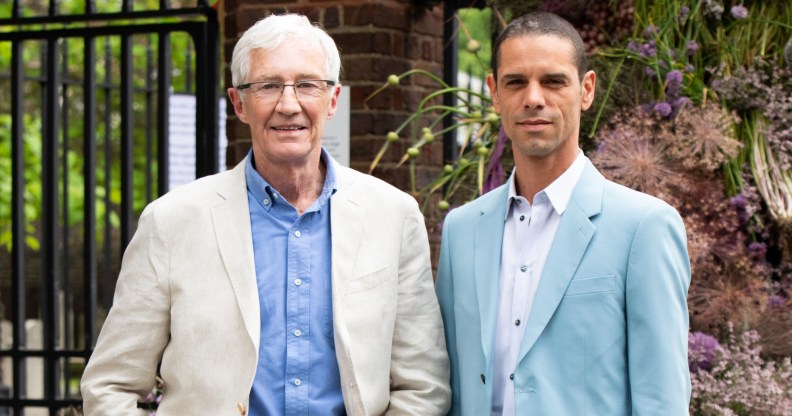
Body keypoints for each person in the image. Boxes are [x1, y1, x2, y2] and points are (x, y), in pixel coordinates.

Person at [81, 13, 450, 415]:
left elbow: (423, 386)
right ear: (239, 103)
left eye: (307, 85)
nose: (288, 105)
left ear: (333, 99)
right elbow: (110, 385)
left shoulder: (393, 216)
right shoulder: (171, 223)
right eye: (268, 86)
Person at [435, 11, 691, 415]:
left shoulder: (645, 227)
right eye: (516, 82)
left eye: (553, 81)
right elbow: (450, 383)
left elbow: (662, 400)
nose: (533, 98)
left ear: (586, 90)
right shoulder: (461, 229)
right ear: (494, 92)